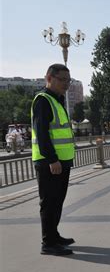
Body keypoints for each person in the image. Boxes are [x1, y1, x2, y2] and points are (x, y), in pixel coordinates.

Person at [31, 63, 75, 256]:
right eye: (62, 80)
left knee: (58, 201)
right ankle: (48, 243)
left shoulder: (57, 99)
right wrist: (52, 159)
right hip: (50, 162)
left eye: (68, 80)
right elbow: (42, 133)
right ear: (49, 78)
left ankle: (54, 235)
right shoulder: (43, 100)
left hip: (62, 162)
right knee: (49, 202)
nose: (66, 84)